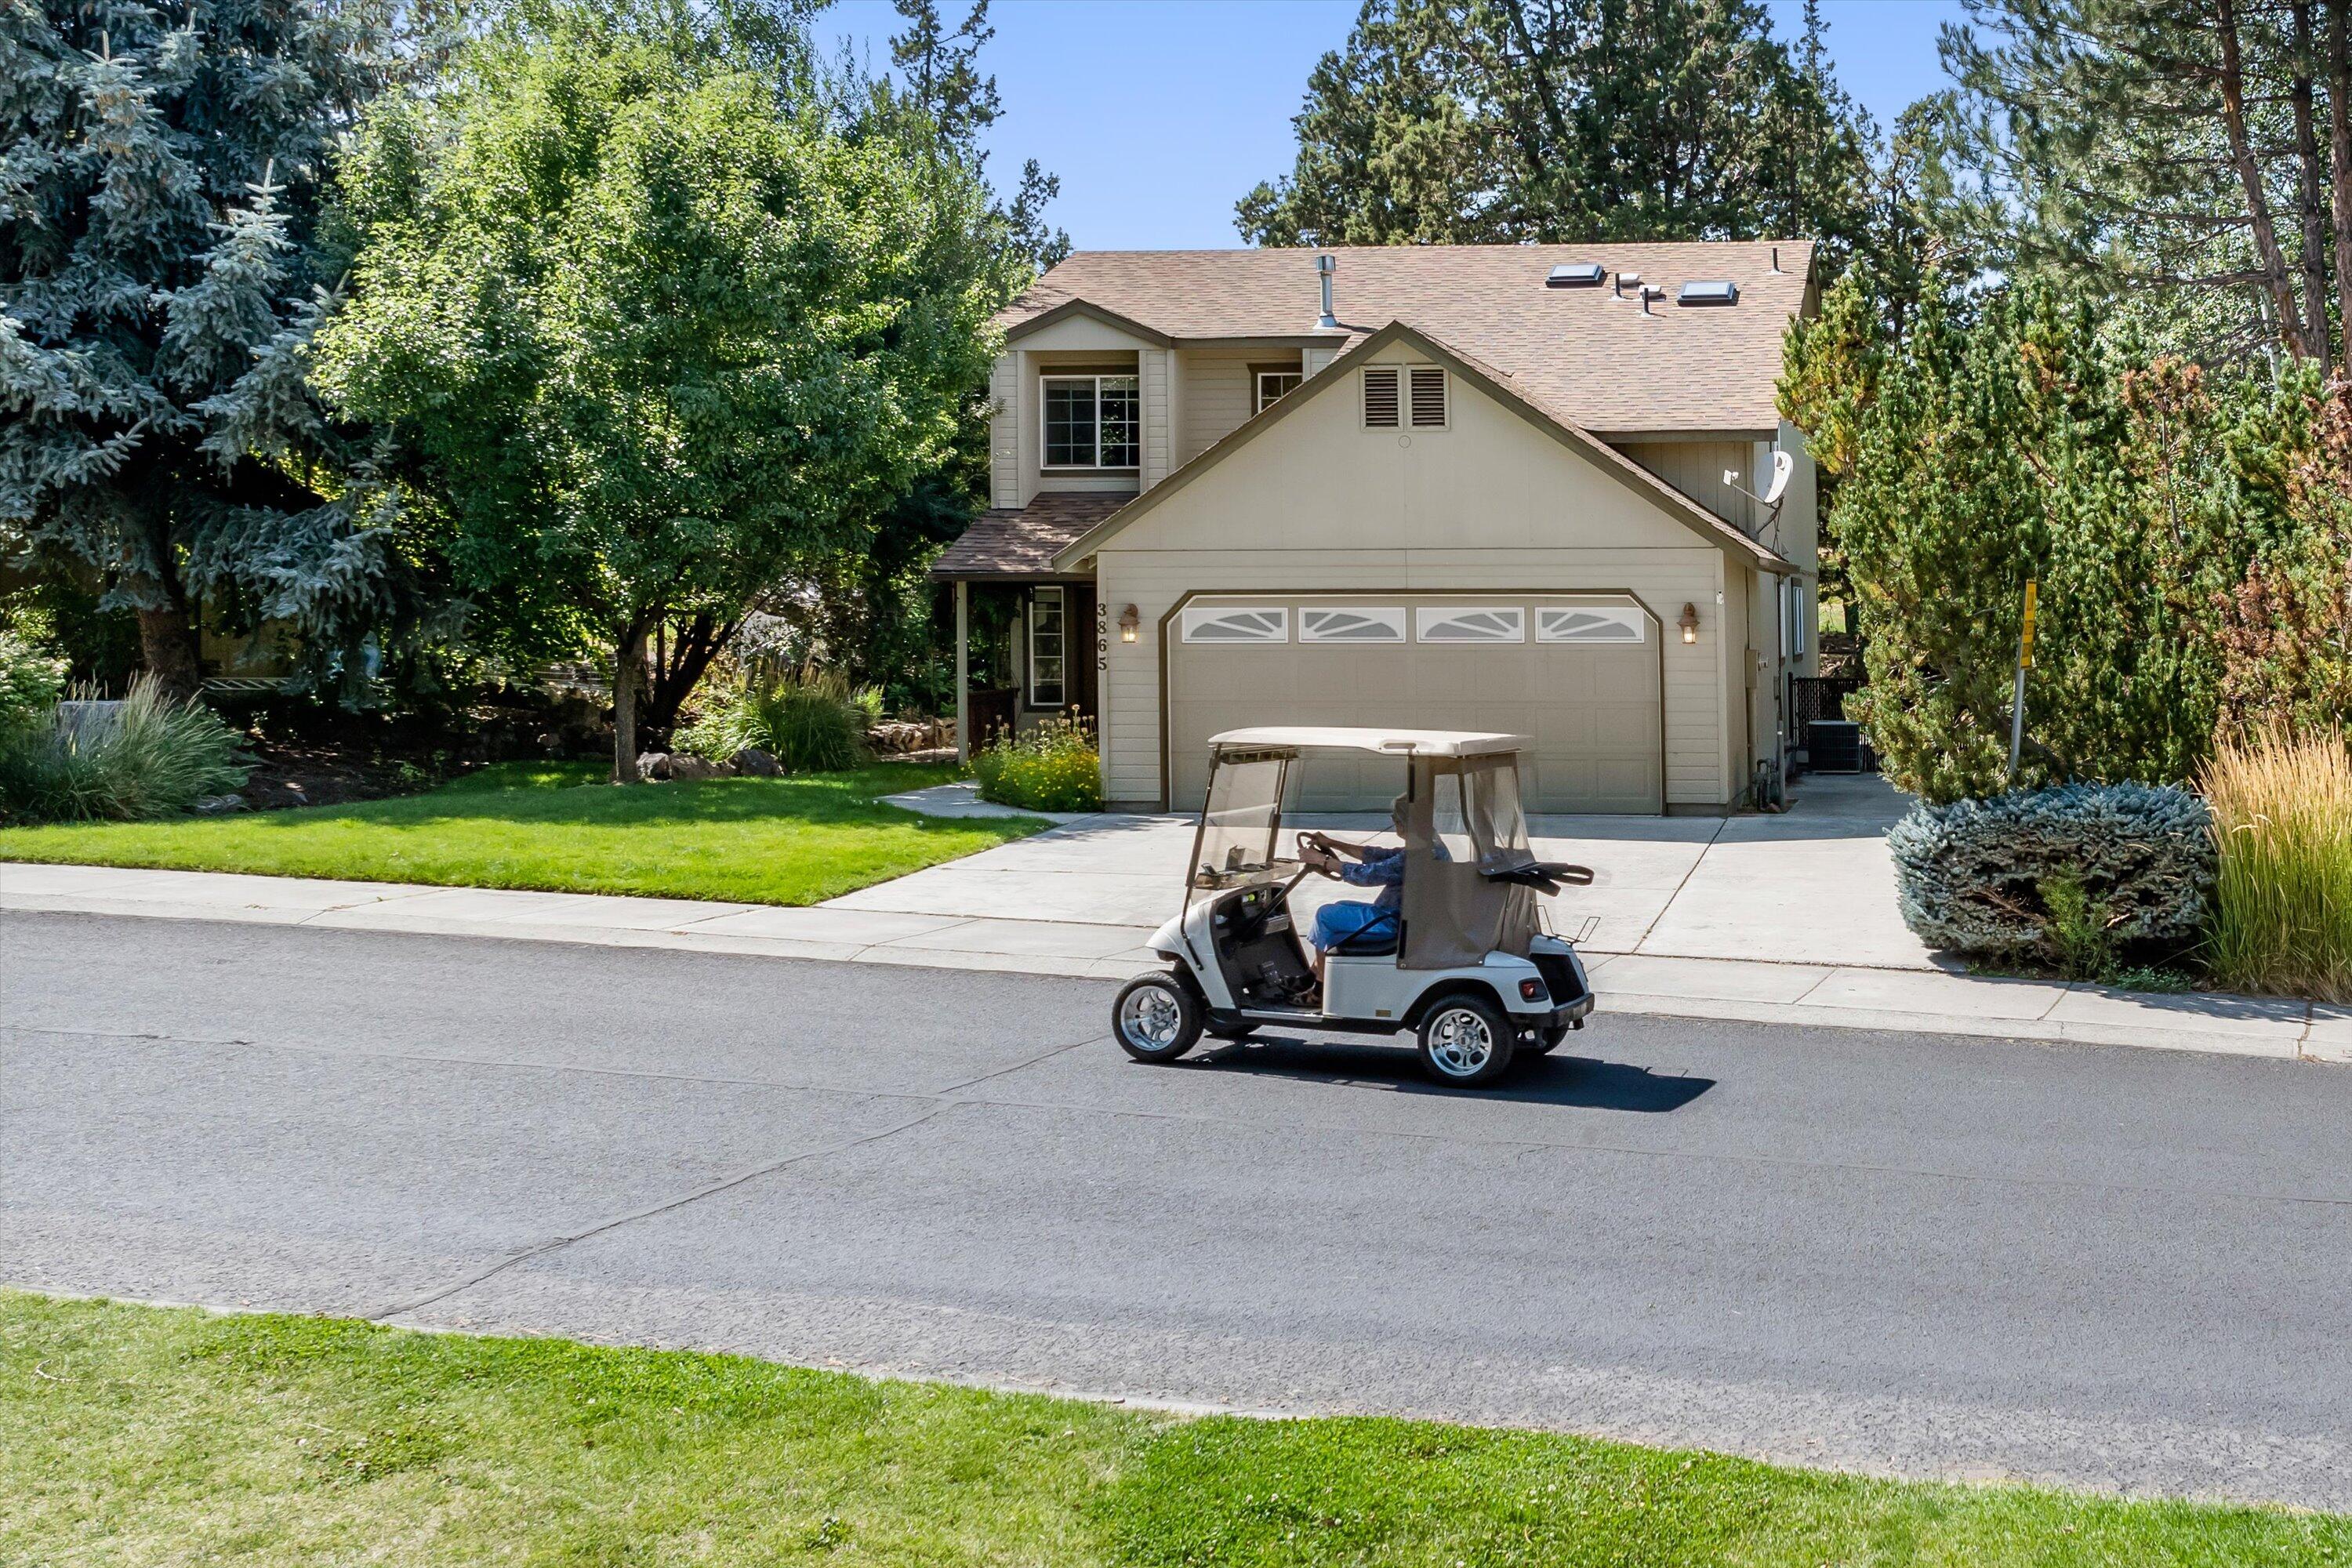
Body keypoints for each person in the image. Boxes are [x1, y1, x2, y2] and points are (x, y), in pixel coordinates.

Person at [1297, 796, 1414, 982]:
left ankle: (1319, 986)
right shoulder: (1427, 847)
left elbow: (1367, 875)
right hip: (1395, 916)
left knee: (1325, 915)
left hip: (1391, 921)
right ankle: (1310, 976)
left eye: (1395, 818)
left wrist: (1322, 861)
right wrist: (1332, 843)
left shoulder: (1417, 854)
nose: (1394, 822)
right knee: (1341, 905)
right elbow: (1378, 856)